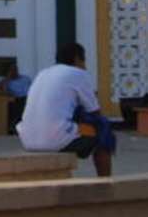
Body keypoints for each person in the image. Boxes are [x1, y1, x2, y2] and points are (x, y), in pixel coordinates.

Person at [15, 41, 115, 175]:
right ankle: (105, 181)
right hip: (54, 140)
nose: (85, 66)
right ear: (77, 59)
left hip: (27, 140)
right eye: (84, 61)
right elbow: (95, 112)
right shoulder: (78, 74)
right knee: (104, 129)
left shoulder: (42, 73)